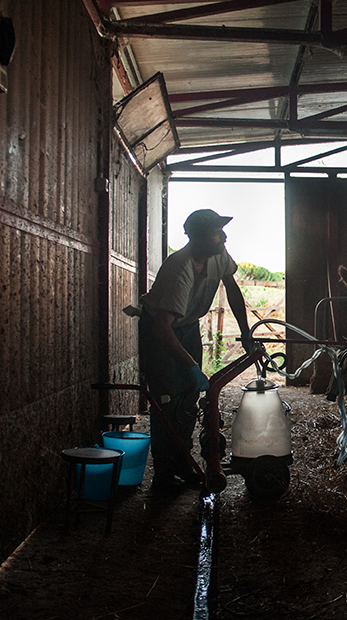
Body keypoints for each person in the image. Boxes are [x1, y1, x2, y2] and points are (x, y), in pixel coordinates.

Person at [137, 209, 254, 494]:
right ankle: (163, 474)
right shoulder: (179, 269)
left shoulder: (218, 257)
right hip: (159, 329)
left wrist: (245, 331)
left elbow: (233, 289)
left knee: (189, 396)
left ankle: (183, 461)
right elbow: (162, 329)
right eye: (217, 231)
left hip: (186, 326)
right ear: (200, 238)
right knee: (167, 398)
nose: (224, 236)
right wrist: (190, 365)